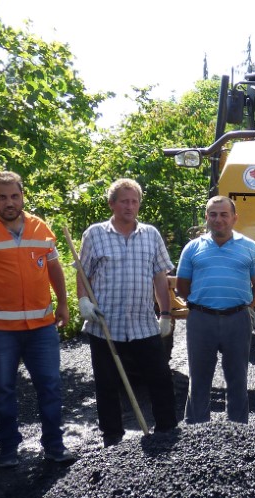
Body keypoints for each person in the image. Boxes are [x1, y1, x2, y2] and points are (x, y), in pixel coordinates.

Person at [0, 171, 74, 468]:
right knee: (3, 390)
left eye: (14, 196)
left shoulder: (40, 227)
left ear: (23, 196)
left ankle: (54, 446)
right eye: (2, 197)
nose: (9, 202)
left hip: (42, 326)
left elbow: (54, 268)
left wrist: (63, 304)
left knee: (50, 386)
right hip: (0, 330)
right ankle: (9, 449)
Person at [76, 178, 178, 446]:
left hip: (143, 323)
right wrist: (83, 300)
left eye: (134, 201)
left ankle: (166, 429)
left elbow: (160, 278)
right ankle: (112, 436)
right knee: (107, 383)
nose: (129, 206)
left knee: (159, 377)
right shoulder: (95, 234)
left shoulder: (151, 234)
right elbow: (83, 273)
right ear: (112, 204)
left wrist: (165, 314)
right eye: (124, 201)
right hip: (105, 325)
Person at [176, 196, 255, 424]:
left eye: (224, 214)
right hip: (201, 320)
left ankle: (238, 429)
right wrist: (201, 303)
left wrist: (251, 306)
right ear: (206, 217)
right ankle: (196, 429)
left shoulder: (250, 247)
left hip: (238, 319)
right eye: (213, 214)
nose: (218, 219)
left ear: (234, 218)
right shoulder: (193, 248)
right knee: (199, 378)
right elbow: (182, 285)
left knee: (238, 378)